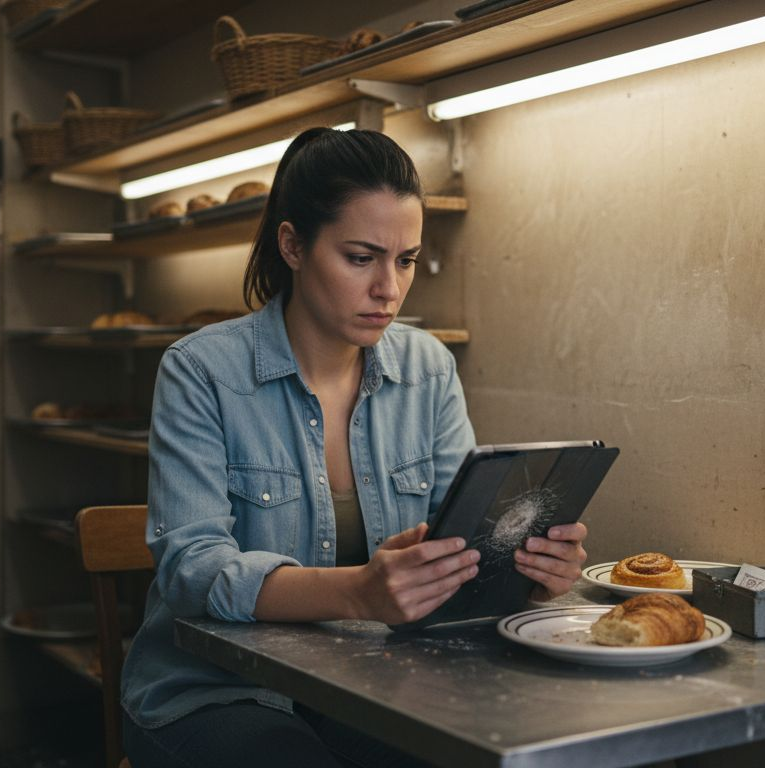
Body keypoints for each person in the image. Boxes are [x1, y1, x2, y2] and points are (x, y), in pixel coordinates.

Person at [120, 128, 589, 767]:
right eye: (361, 257)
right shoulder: (201, 371)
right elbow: (193, 568)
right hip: (215, 692)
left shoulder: (427, 370)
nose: (389, 290)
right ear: (292, 244)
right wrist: (358, 592)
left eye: (406, 260)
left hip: (372, 684)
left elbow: (461, 546)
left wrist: (526, 575)